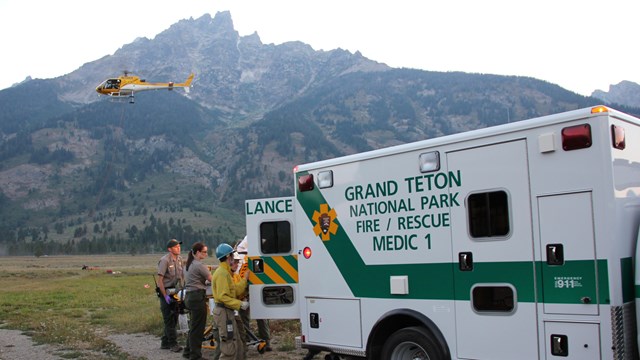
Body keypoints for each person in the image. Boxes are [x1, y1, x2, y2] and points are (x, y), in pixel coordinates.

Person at [212, 243, 249, 360]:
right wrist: (240, 304)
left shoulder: (226, 272)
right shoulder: (222, 273)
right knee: (228, 347)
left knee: (236, 342)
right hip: (224, 312)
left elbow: (234, 290)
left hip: (227, 311)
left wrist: (245, 280)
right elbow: (223, 297)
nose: (234, 258)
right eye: (232, 255)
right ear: (228, 257)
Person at [236, 236, 272, 351]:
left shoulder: (240, 256)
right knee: (261, 314)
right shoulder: (256, 253)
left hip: (243, 289)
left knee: (244, 315)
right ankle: (266, 341)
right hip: (255, 287)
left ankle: (246, 339)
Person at [182, 242, 212, 360]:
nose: (206, 254)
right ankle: (195, 355)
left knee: (193, 326)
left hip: (189, 296)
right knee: (198, 328)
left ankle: (187, 351)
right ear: (198, 252)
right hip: (197, 297)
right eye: (204, 251)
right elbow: (212, 279)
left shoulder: (188, 264)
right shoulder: (199, 265)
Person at [157, 238, 184, 352]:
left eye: (179, 246)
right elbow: (160, 281)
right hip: (166, 291)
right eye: (175, 246)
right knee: (168, 318)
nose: (178, 248)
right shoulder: (165, 260)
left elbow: (181, 276)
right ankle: (173, 344)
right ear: (169, 249)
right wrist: (165, 296)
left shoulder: (179, 259)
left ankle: (164, 342)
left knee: (174, 318)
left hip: (176, 291)